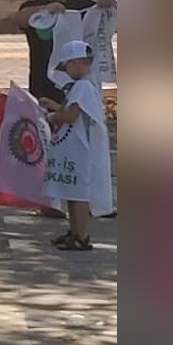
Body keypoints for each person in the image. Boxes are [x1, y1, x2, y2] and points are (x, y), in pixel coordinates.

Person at [44, 40, 112, 250]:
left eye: (67, 67)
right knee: (72, 192)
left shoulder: (83, 86)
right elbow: (74, 110)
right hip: (75, 148)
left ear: (74, 63)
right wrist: (53, 105)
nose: (67, 72)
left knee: (79, 195)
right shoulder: (83, 86)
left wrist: (54, 116)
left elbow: (71, 116)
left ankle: (81, 236)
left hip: (81, 150)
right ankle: (74, 231)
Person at [14, 0, 95, 102]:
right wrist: (45, 10)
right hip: (43, 86)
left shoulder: (81, 5)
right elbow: (20, 18)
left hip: (77, 85)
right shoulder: (32, 7)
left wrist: (107, 4)